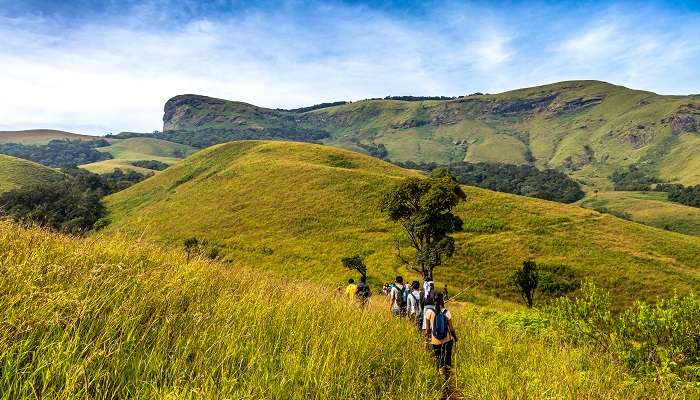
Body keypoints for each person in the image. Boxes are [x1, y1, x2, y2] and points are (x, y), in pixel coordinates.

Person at [425, 293, 457, 378]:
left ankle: (440, 375)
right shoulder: (447, 312)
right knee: (447, 358)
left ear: (433, 300)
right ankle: (448, 376)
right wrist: (455, 337)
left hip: (435, 341)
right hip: (447, 340)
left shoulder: (429, 312)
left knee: (438, 358)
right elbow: (451, 329)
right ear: (442, 300)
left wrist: (426, 339)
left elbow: (428, 329)